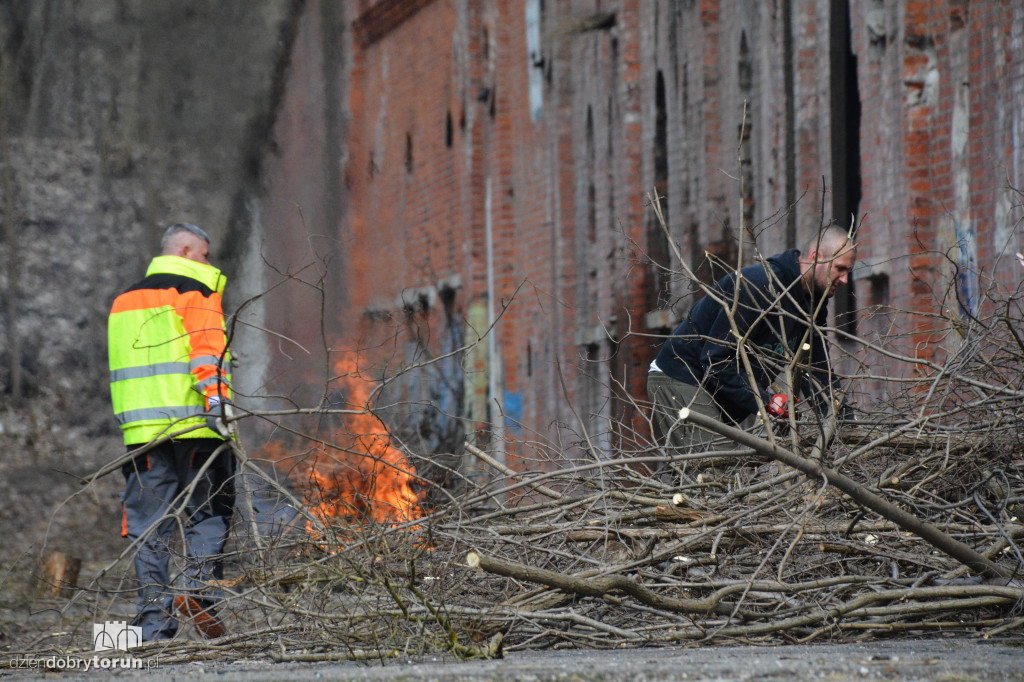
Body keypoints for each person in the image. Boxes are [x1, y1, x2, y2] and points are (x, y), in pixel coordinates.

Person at [108, 222, 236, 641]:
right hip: (196, 426)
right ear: (184, 250)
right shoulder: (196, 291)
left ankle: (152, 624)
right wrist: (219, 404)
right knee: (210, 512)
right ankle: (199, 594)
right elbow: (207, 352)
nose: (208, 262)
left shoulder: (123, 301)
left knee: (149, 526)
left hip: (143, 434)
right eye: (204, 254)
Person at [647, 224, 856, 455]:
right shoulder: (758, 286)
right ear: (817, 256)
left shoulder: (813, 302)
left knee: (705, 468)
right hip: (681, 376)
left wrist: (844, 422)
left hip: (714, 388)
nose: (845, 279)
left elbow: (815, 368)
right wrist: (767, 401)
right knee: (714, 465)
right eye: (840, 269)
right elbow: (716, 359)